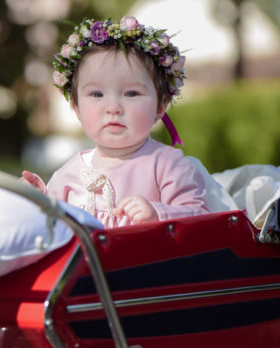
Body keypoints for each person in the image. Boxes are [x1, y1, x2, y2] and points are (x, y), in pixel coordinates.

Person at [21, 16, 210, 228]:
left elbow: (199, 217)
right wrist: (40, 198)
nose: (113, 107)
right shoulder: (70, 172)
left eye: (131, 93)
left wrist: (158, 212)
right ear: (77, 108)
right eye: (96, 94)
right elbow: (55, 224)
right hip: (88, 260)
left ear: (160, 106)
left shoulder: (166, 164)